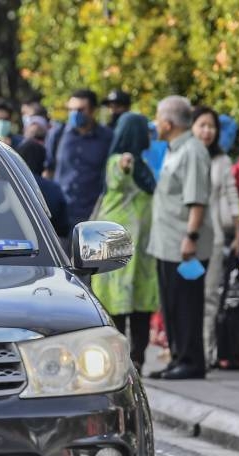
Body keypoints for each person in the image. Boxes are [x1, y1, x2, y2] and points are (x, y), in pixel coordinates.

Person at [147, 95, 212, 380]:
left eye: (158, 118)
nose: (155, 124)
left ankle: (191, 361)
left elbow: (196, 200)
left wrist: (191, 237)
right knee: (171, 305)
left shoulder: (193, 151)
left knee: (186, 306)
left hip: (183, 243)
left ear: (168, 122)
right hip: (166, 243)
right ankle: (177, 357)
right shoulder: (174, 149)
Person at [89, 112, 159, 372]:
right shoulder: (120, 161)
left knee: (137, 302)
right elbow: (120, 170)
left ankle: (135, 357)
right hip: (119, 242)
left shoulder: (141, 163)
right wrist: (126, 163)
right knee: (121, 302)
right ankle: (122, 358)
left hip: (137, 246)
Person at [191, 106, 239, 367]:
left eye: (211, 126)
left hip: (212, 239)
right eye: (202, 125)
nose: (207, 131)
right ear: (192, 127)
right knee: (185, 296)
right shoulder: (182, 156)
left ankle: (205, 350)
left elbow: (232, 197)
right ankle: (183, 349)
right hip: (184, 241)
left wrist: (238, 231)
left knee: (209, 295)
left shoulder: (222, 161)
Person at [45, 89, 114, 228]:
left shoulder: (108, 137)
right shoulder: (57, 135)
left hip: (93, 215)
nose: (75, 114)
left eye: (81, 110)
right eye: (71, 110)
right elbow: (48, 171)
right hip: (59, 213)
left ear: (93, 110)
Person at [17, 139, 71, 239]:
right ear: (42, 162)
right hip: (45, 247)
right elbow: (63, 228)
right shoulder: (53, 189)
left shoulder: (8, 184)